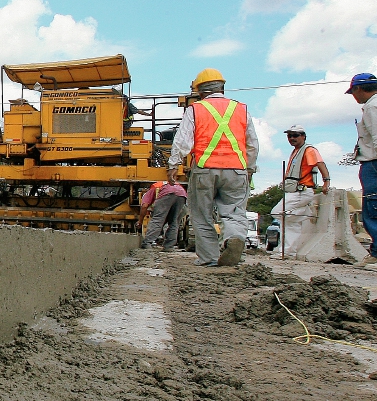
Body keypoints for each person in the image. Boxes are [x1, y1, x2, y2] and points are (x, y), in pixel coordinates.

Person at [168, 68, 259, 267]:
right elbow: (252, 143)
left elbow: (182, 140)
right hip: (236, 171)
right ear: (223, 88)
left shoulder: (195, 109)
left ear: (199, 92)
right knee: (234, 212)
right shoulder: (241, 109)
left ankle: (208, 258)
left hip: (204, 170)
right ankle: (233, 239)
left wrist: (173, 164)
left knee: (201, 215)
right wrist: (249, 169)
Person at [347, 73, 377, 270]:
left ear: (359, 89)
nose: (354, 97)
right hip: (375, 162)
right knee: (374, 208)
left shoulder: (374, 107)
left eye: (353, 92)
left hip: (376, 163)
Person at [277, 125, 331, 257]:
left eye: (295, 135)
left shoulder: (309, 150)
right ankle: (288, 252)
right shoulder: (296, 151)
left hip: (303, 190)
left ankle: (305, 211)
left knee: (278, 212)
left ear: (303, 136)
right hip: (294, 191)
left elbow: (320, 164)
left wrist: (326, 181)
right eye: (289, 135)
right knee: (291, 222)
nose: (291, 138)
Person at [138, 179, 187, 251]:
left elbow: (144, 206)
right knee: (174, 221)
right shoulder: (166, 184)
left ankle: (147, 243)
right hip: (182, 194)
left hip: (167, 193)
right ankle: (169, 246)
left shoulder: (152, 189)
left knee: (157, 219)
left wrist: (140, 221)